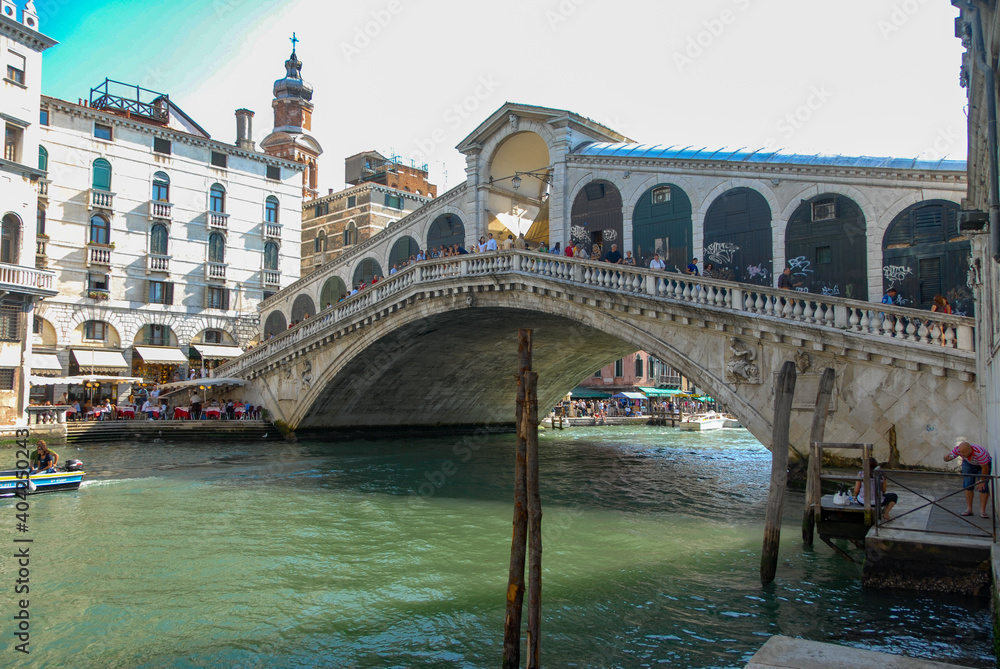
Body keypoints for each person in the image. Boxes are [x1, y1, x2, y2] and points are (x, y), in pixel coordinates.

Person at [944, 441, 992, 518]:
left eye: (964, 452)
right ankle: (969, 509)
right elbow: (949, 458)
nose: (962, 454)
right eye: (961, 452)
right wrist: (946, 458)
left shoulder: (980, 453)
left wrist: (982, 480)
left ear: (970, 450)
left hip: (983, 465)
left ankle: (983, 511)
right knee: (968, 485)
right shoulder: (958, 450)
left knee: (983, 487)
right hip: (968, 463)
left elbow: (985, 468)